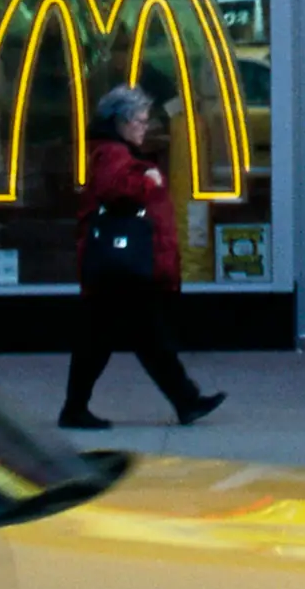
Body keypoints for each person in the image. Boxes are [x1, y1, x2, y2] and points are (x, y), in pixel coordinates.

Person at [63, 88, 226, 430]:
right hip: (120, 265)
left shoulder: (114, 151)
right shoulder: (113, 153)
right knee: (128, 337)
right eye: (139, 120)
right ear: (120, 122)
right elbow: (114, 190)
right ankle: (183, 400)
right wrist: (148, 181)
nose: (145, 126)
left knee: (132, 337)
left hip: (117, 266)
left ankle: (185, 400)